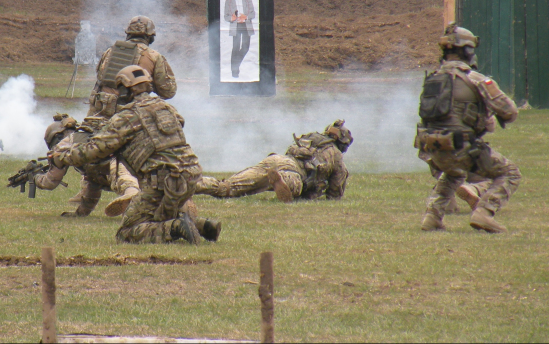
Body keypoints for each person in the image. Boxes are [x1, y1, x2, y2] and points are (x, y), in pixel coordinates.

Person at [50, 65, 221, 244]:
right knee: (156, 215)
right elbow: (180, 122)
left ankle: (176, 227)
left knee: (127, 232)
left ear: (125, 90)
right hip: (191, 174)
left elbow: (95, 149)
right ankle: (203, 226)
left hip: (163, 180)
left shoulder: (127, 116)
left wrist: (61, 157)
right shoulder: (167, 108)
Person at [416, 23, 520, 233]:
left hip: (433, 151)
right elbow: (510, 112)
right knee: (510, 173)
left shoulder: (433, 78)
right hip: (462, 149)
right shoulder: (476, 79)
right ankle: (484, 212)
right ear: (468, 50)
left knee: (453, 174)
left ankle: (432, 216)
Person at [66, 15, 177, 211]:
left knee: (94, 152)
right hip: (131, 116)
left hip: (99, 115)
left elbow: (100, 81)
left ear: (128, 34)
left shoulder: (109, 52)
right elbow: (168, 91)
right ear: (150, 36)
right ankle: (135, 191)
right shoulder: (153, 57)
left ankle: (88, 192)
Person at [197, 120, 353, 203]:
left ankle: (193, 184)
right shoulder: (336, 155)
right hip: (292, 171)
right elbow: (335, 192)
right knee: (296, 186)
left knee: (228, 187)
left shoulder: (311, 137)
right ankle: (282, 180)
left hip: (276, 159)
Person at [33, 113, 139, 218]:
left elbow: (50, 182)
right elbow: (93, 183)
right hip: (136, 160)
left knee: (126, 182)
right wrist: (81, 212)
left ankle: (132, 195)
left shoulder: (64, 145)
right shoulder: (91, 136)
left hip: (118, 166)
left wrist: (36, 177)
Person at [223, 0, 255, 78]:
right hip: (235, 26)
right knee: (235, 48)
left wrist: (246, 17)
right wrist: (231, 18)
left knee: (245, 47)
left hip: (245, 25)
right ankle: (234, 72)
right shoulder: (228, 1)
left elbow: (253, 14)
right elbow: (226, 16)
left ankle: (235, 65)